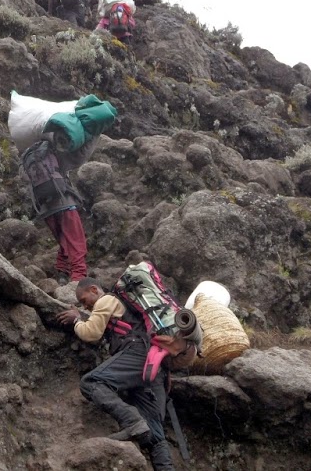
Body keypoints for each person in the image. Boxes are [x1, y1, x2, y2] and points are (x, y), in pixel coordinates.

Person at [56, 278, 196, 471]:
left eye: (83, 299)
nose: (85, 304)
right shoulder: (128, 308)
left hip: (137, 355)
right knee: (155, 435)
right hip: (156, 368)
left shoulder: (106, 300)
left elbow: (91, 333)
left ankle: (132, 421)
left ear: (94, 289)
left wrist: (77, 319)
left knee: (90, 383)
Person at [23, 133, 93, 284]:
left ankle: (62, 273)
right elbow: (79, 158)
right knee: (76, 241)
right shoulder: (56, 151)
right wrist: (92, 136)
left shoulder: (28, 156)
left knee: (63, 239)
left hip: (45, 207)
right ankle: (77, 280)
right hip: (64, 202)